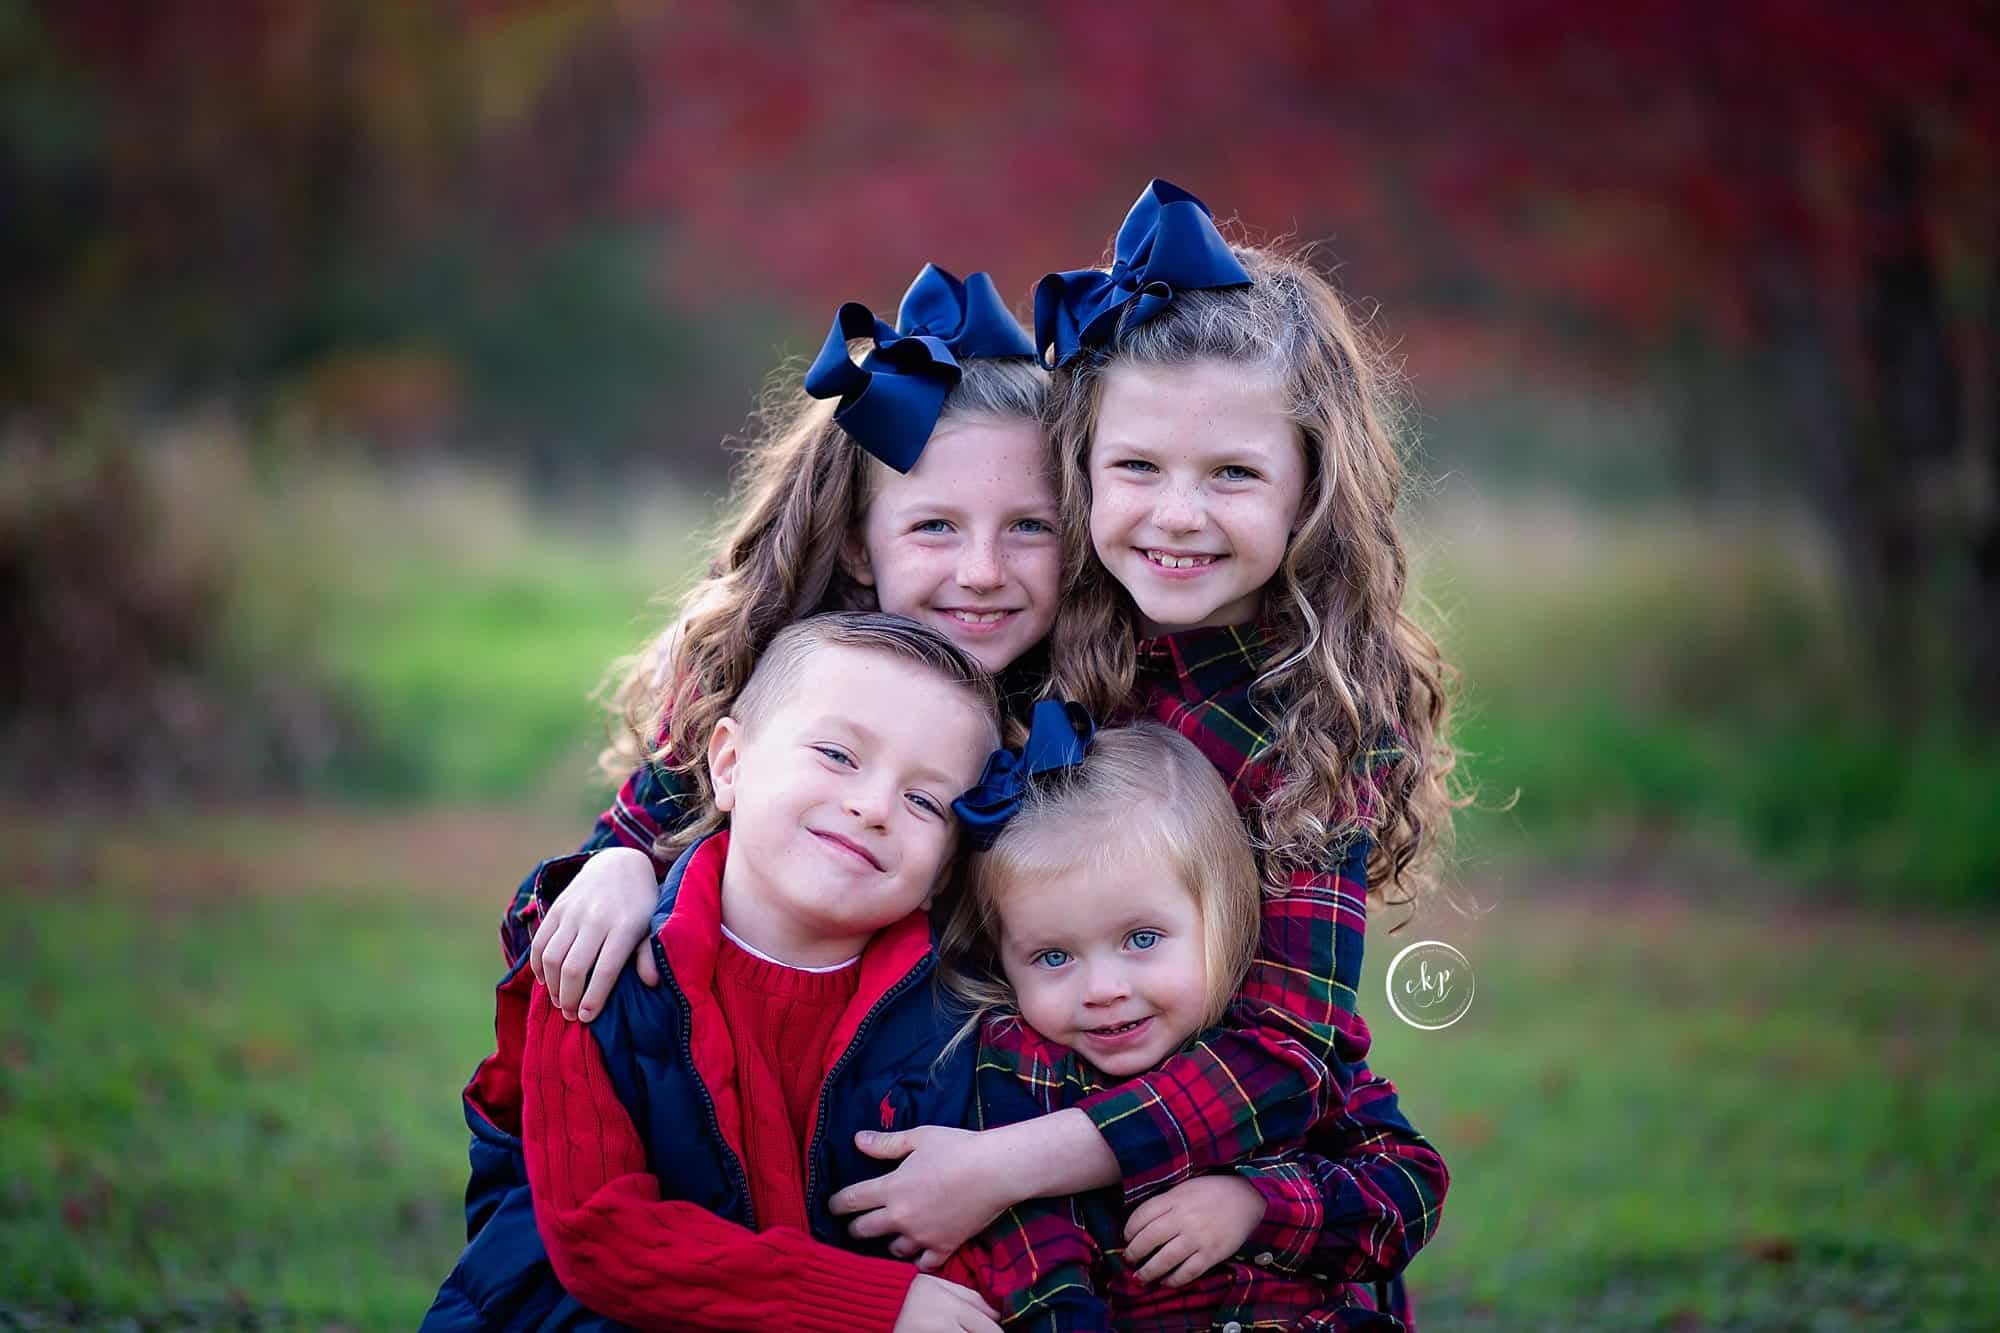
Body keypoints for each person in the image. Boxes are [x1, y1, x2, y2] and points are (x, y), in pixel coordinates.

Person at [825, 181, 1456, 1329]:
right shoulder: (1037, 631)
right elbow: (798, 701)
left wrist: (1005, 1165)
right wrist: (621, 849)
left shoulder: (1323, 718)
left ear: (1311, 488)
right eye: (1136, 469)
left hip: (1232, 1210)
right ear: (1078, 468)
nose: (1175, 515)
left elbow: (1283, 1055)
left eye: (1231, 474)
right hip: (1008, 1170)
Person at [423, 611, 1065, 1332]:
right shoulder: (599, 972)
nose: (873, 806)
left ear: (944, 866)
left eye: (923, 800)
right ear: (729, 764)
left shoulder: (953, 1016)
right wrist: (870, 1306)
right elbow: (601, 1236)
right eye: (837, 755)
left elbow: (961, 1240)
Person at [940, 713, 1419, 1329]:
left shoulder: (1271, 1058)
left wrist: (1256, 1206)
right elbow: (1034, 1264)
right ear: (1003, 957)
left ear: (1225, 920)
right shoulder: (1023, 1070)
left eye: (1141, 939)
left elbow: (1408, 1189)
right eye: (1053, 957)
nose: (1105, 990)